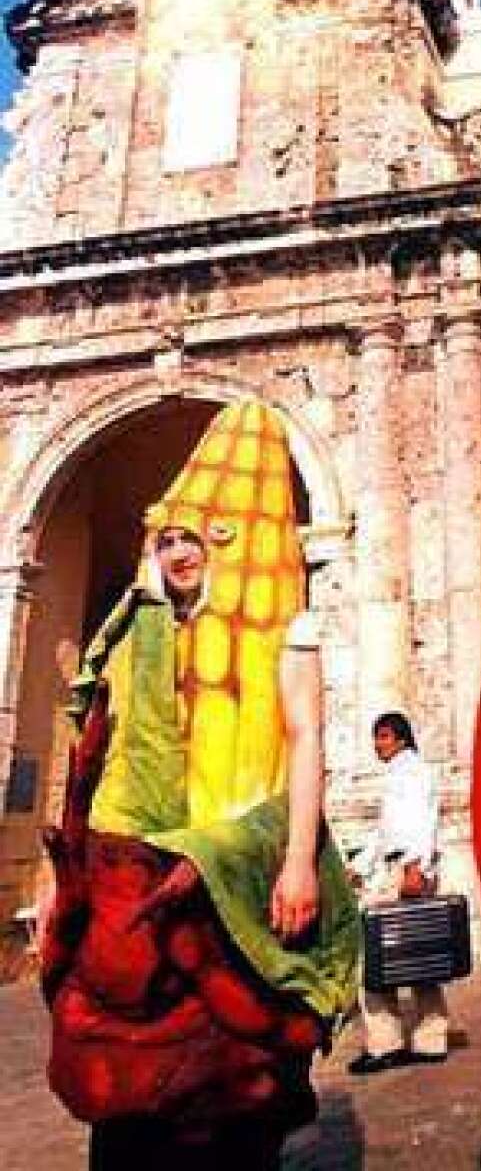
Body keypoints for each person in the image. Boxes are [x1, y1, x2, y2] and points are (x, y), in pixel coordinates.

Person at [38, 401, 360, 1170]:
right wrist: (71, 870)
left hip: (232, 870)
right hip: (141, 879)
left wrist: (293, 860)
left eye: (197, 537)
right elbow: (102, 752)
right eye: (170, 538)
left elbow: (305, 737)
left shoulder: (291, 631)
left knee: (234, 1092)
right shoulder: (138, 632)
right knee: (126, 1102)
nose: (182, 553)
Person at [350, 710, 450, 1073]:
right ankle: (428, 1037)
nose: (379, 744)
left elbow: (424, 822)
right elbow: (385, 832)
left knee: (379, 955)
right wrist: (360, 866)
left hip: (407, 872)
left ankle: (386, 1042)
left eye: (385, 737)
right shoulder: (396, 775)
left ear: (402, 739)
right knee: (416, 953)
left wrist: (415, 867)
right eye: (377, 737)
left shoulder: (416, 773)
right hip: (396, 868)